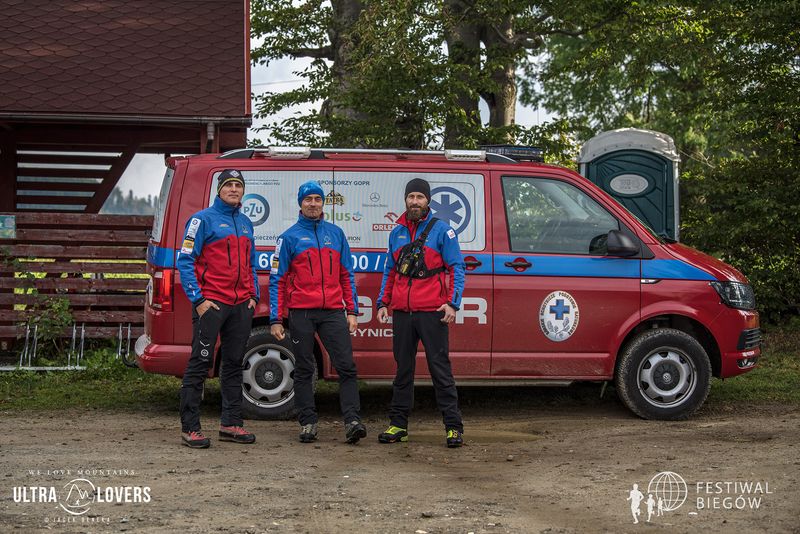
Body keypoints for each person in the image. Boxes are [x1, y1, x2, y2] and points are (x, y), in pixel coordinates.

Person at [269, 181, 367, 444]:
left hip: (333, 311)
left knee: (346, 366)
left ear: (323, 203)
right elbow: (277, 279)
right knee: (304, 368)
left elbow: (346, 274)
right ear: (300, 203)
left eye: (317, 199)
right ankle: (308, 423)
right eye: (308, 199)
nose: (313, 203)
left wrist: (352, 311)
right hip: (301, 312)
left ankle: (353, 421)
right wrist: (276, 319)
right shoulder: (288, 238)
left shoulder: (336, 234)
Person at [376, 178, 466, 448]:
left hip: (432, 312)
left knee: (440, 370)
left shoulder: (443, 231)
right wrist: (383, 302)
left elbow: (457, 267)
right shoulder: (397, 233)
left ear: (428, 200)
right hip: (403, 313)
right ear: (405, 200)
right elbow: (390, 270)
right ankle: (398, 425)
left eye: (420, 197)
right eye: (411, 197)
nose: (415, 201)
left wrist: (452, 304)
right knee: (403, 370)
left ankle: (453, 428)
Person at [176, 169, 259, 448]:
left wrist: (253, 296)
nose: (234, 189)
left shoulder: (246, 223)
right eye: (229, 185)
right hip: (211, 304)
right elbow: (185, 260)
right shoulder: (201, 220)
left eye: (238, 185)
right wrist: (198, 300)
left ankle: (231, 424)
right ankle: (190, 428)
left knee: (234, 363)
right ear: (219, 189)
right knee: (199, 363)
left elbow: (251, 263)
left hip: (240, 306)